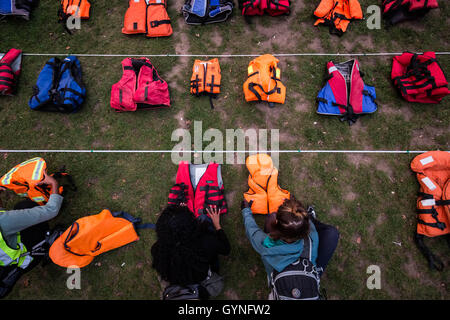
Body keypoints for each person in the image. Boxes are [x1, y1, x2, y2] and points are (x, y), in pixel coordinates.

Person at [241, 196, 339, 296]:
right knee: (332, 233)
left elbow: (252, 232)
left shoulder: (267, 245)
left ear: (277, 225)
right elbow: (306, 224)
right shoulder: (312, 237)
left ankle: (271, 281)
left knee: (271, 216)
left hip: (279, 278)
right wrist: (297, 215)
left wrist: (246, 211)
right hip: (307, 274)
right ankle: (310, 216)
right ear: (305, 230)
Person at [0, 172, 64, 298]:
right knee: (24, 206)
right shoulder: (3, 221)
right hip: (28, 256)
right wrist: (53, 183)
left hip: (7, 266)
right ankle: (47, 243)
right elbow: (51, 210)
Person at [151, 204, 230, 300]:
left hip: (178, 279)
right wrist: (217, 225)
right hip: (200, 277)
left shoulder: (158, 250)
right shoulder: (205, 242)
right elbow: (226, 249)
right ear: (191, 225)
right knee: (204, 217)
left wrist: (179, 216)